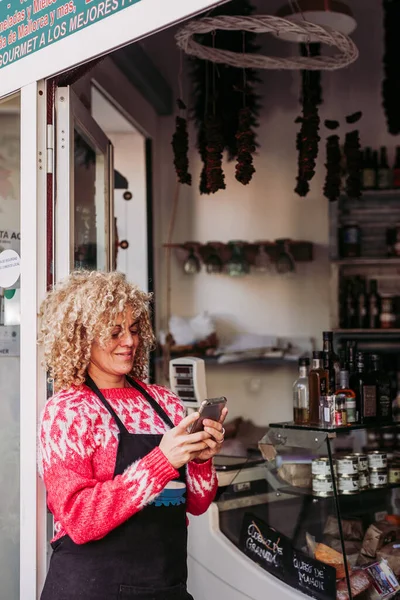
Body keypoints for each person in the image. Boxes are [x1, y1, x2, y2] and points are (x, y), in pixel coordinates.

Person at [38, 270, 227, 600]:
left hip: (164, 586)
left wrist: (200, 460)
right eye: (114, 332)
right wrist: (162, 461)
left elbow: (196, 504)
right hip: (91, 589)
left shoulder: (163, 402)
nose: (129, 341)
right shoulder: (68, 411)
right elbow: (80, 520)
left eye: (134, 329)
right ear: (81, 338)